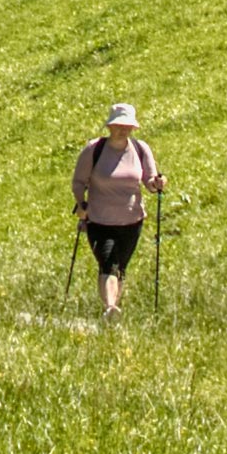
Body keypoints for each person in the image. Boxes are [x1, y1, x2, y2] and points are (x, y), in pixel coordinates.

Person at [71, 100, 166, 316]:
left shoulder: (140, 149)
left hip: (132, 220)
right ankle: (110, 307)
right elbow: (78, 182)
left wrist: (158, 183)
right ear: (110, 126)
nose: (123, 130)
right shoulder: (94, 149)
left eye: (127, 126)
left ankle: (111, 313)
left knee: (120, 267)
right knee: (108, 264)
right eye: (119, 126)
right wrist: (81, 203)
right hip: (99, 220)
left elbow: (150, 181)